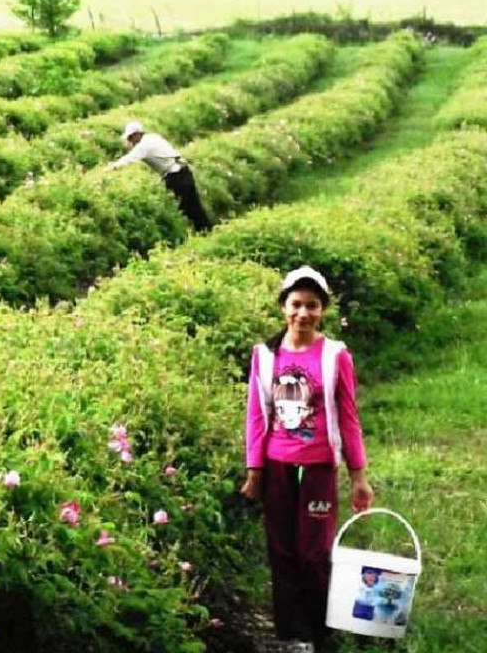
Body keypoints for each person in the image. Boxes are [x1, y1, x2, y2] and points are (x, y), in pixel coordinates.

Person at [241, 266, 375, 653]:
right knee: (281, 548)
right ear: (284, 307)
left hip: (318, 466)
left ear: (323, 310)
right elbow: (256, 414)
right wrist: (255, 472)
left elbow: (349, 416)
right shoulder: (265, 356)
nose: (303, 313)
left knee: (314, 550)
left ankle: (320, 631)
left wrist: (359, 476)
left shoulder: (335, 355)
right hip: (278, 465)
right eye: (296, 304)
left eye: (312, 306)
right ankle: (290, 631)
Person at [105, 121, 213, 232]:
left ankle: (197, 231)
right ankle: (206, 230)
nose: (130, 141)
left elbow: (130, 158)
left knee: (182, 208)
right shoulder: (152, 137)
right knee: (194, 205)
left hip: (175, 176)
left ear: (138, 134)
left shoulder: (144, 146)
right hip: (183, 170)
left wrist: (112, 167)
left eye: (131, 137)